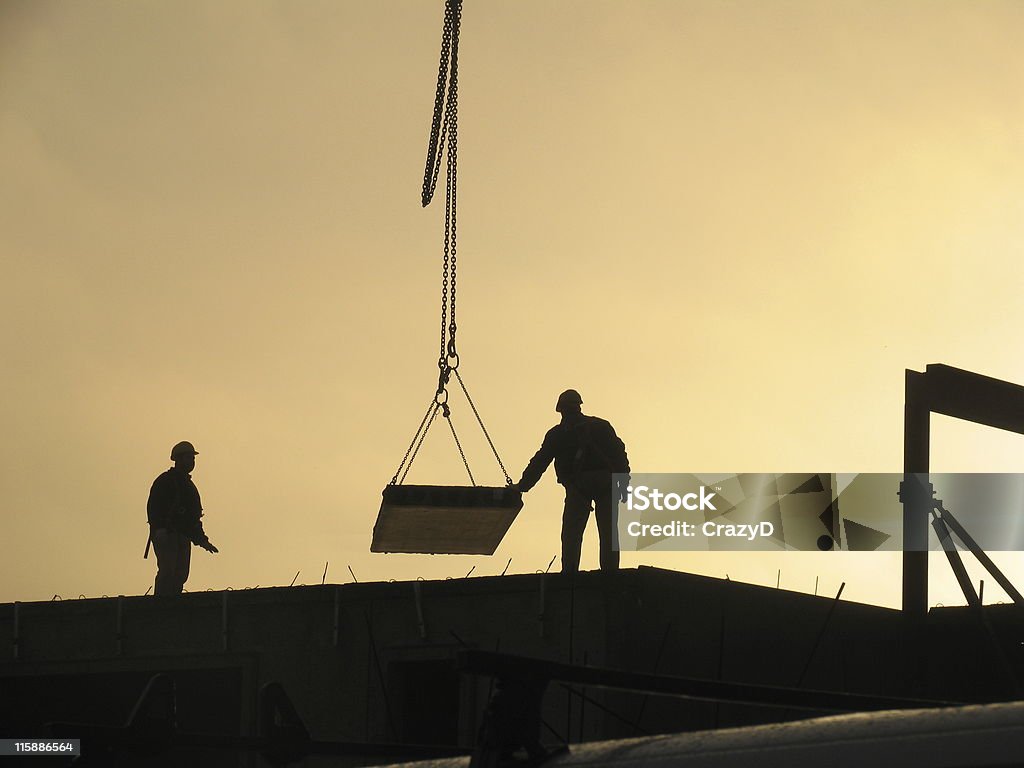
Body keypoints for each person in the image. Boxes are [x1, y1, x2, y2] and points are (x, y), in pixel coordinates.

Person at [514, 390, 630, 573]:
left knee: (571, 533)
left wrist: (522, 487)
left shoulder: (557, 434)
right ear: (579, 406)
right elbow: (619, 454)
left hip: (578, 487)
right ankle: (610, 573)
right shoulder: (601, 426)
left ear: (561, 410)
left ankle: (569, 574)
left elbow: (540, 462)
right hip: (605, 483)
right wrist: (623, 484)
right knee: (608, 533)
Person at [145, 441, 218, 595]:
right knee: (167, 570)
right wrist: (160, 529)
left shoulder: (189, 488)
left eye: (193, 458)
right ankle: (160, 605)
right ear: (178, 459)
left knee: (180, 573)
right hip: (167, 535)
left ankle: (174, 604)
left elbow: (193, 519)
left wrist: (203, 540)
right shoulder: (165, 481)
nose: (192, 461)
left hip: (182, 536)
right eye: (188, 457)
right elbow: (154, 508)